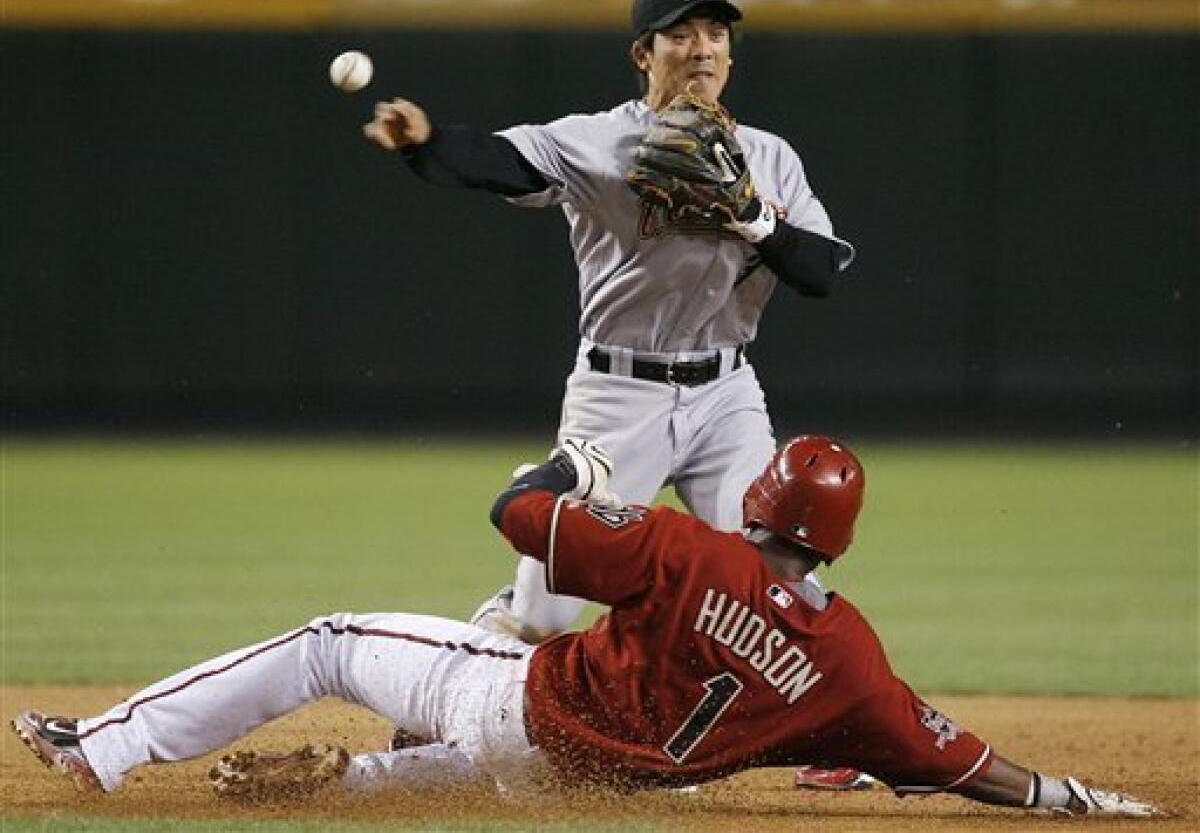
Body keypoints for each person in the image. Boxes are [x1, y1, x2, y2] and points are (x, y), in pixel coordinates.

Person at [11, 437, 1160, 818]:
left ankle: (103, 747)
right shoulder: (853, 666)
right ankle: (348, 784)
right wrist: (1074, 797)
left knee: (329, 640)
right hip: (604, 789)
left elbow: (517, 515)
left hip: (521, 708)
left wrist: (561, 469)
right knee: (482, 752)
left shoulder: (689, 546)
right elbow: (963, 761)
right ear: (840, 541)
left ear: (758, 499)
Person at [362, 0, 856, 659]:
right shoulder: (596, 142)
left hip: (727, 395)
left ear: (732, 53)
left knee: (776, 577)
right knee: (544, 612)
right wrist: (427, 142)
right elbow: (501, 161)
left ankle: (827, 746)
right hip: (620, 396)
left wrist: (754, 221)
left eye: (716, 33)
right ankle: (438, 704)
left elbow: (820, 272)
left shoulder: (770, 158)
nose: (702, 48)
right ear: (642, 55)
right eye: (679, 35)